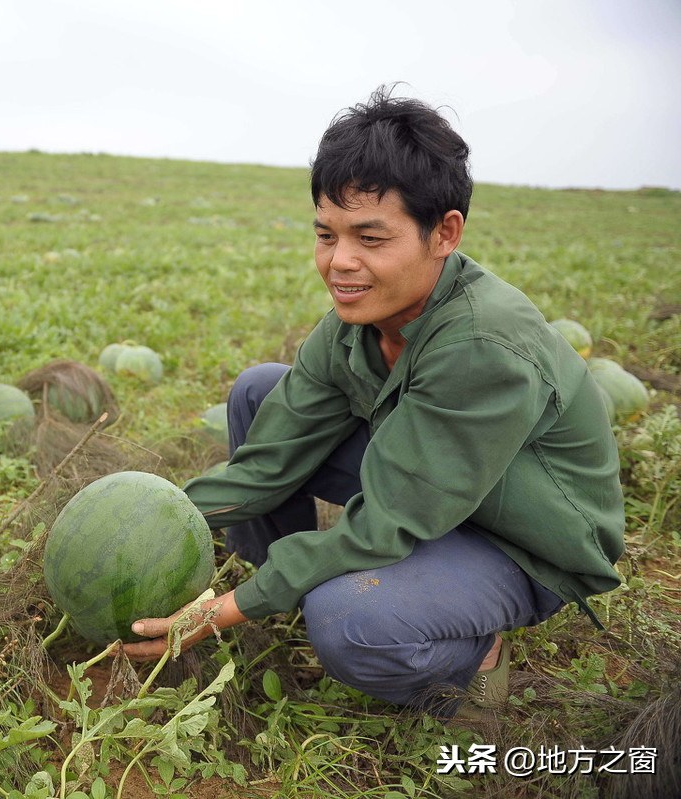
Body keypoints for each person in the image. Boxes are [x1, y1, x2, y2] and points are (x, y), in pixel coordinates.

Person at [123, 87, 625, 720]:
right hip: (434, 491)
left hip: (524, 541)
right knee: (260, 390)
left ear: (443, 233)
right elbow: (265, 464)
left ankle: (474, 658)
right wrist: (150, 521)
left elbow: (393, 515)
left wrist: (224, 610)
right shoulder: (353, 325)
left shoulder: (482, 345)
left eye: (370, 237)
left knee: (349, 620)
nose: (340, 263)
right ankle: (283, 584)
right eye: (325, 235)